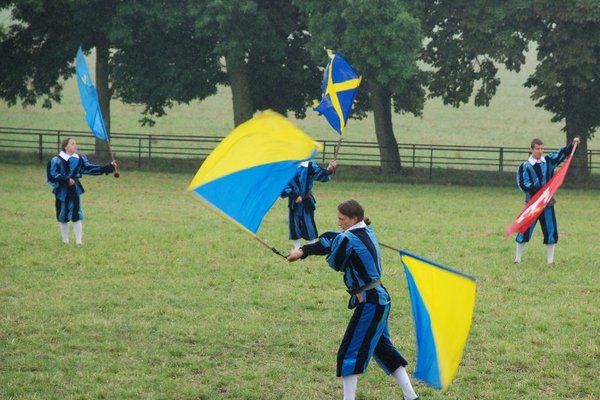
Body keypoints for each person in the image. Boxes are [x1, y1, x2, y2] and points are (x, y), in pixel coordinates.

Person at [287, 199, 419, 400]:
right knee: (382, 349)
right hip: (380, 299)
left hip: (370, 303)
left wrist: (313, 248)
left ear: (354, 219)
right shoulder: (366, 232)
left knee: (349, 352)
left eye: (342, 219)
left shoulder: (348, 239)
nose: (339, 222)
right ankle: (411, 397)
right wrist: (303, 251)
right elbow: (332, 240)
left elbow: (336, 262)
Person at [514, 136, 580, 264]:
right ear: (531, 149)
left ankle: (550, 261)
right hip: (532, 204)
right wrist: (538, 190)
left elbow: (561, 154)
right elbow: (522, 184)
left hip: (547, 204)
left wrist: (572, 144)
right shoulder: (524, 166)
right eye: (537, 148)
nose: (540, 151)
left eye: (542, 148)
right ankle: (517, 259)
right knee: (524, 229)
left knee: (551, 230)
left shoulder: (548, 161)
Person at [46, 137, 117, 245]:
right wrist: (66, 180)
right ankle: (65, 241)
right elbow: (52, 175)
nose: (75, 145)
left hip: (75, 190)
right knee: (63, 215)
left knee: (76, 214)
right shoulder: (55, 160)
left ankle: (79, 242)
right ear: (65, 146)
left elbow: (89, 168)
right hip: (62, 191)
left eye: (75, 143)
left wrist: (109, 167)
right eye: (72, 143)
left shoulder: (79, 159)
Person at [281, 159, 337, 250]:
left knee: (309, 221)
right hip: (294, 202)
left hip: (307, 200)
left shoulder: (310, 167)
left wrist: (330, 169)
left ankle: (312, 245)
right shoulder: (288, 168)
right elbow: (282, 183)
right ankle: (296, 247)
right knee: (294, 223)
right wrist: (294, 195)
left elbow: (322, 175)